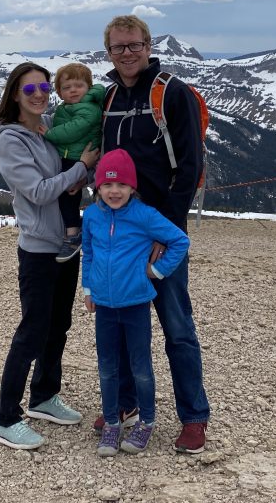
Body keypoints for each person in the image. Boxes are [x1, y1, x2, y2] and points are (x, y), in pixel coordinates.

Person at [97, 14, 211, 453]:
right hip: (121, 232)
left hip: (159, 228)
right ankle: (126, 403)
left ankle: (194, 416)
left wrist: (167, 230)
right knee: (124, 321)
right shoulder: (109, 97)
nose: (126, 53)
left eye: (134, 45)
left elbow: (190, 166)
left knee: (176, 325)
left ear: (148, 46)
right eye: (118, 47)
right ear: (108, 51)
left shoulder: (171, 92)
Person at [0, 61, 101, 450]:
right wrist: (80, 169)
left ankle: (44, 396)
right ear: (15, 95)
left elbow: (71, 176)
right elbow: (37, 191)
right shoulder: (11, 140)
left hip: (67, 242)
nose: (39, 96)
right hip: (38, 248)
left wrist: (79, 176)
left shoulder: (48, 127)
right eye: (30, 90)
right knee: (33, 330)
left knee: (59, 324)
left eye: (44, 89)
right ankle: (5, 416)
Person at [82, 149, 189, 456]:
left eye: (122, 185)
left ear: (132, 187)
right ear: (98, 187)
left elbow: (180, 240)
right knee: (107, 367)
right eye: (107, 184)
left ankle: (147, 421)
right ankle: (112, 422)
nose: (114, 191)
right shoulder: (92, 216)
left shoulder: (144, 215)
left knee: (141, 367)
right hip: (104, 305)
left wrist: (157, 271)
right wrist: (88, 289)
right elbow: (88, 253)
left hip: (136, 305)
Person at [42, 62, 106, 263]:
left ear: (88, 87)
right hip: (72, 155)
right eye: (67, 87)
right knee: (68, 193)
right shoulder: (70, 107)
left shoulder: (89, 107)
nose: (73, 90)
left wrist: (50, 134)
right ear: (60, 93)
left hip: (76, 157)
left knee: (67, 195)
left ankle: (72, 234)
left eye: (79, 85)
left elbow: (74, 130)